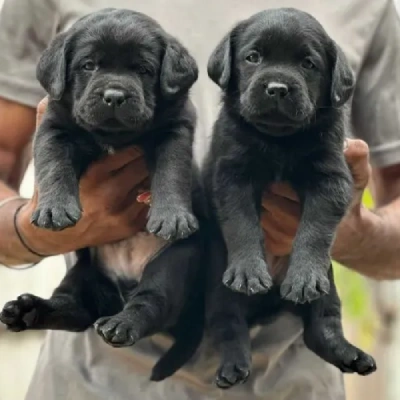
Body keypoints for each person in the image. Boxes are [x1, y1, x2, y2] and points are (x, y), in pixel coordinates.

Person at [0, 0, 399, 399]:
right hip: (86, 384)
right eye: (256, 57)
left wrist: (347, 234)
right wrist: (29, 230)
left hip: (291, 383)